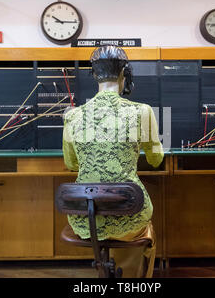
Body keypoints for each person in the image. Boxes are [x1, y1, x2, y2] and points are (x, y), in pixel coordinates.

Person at [62, 45, 164, 278]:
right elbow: (156, 160)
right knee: (144, 228)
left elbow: (71, 164)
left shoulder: (73, 116)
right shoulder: (143, 112)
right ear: (124, 74)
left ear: (94, 75)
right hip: (130, 213)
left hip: (85, 217)